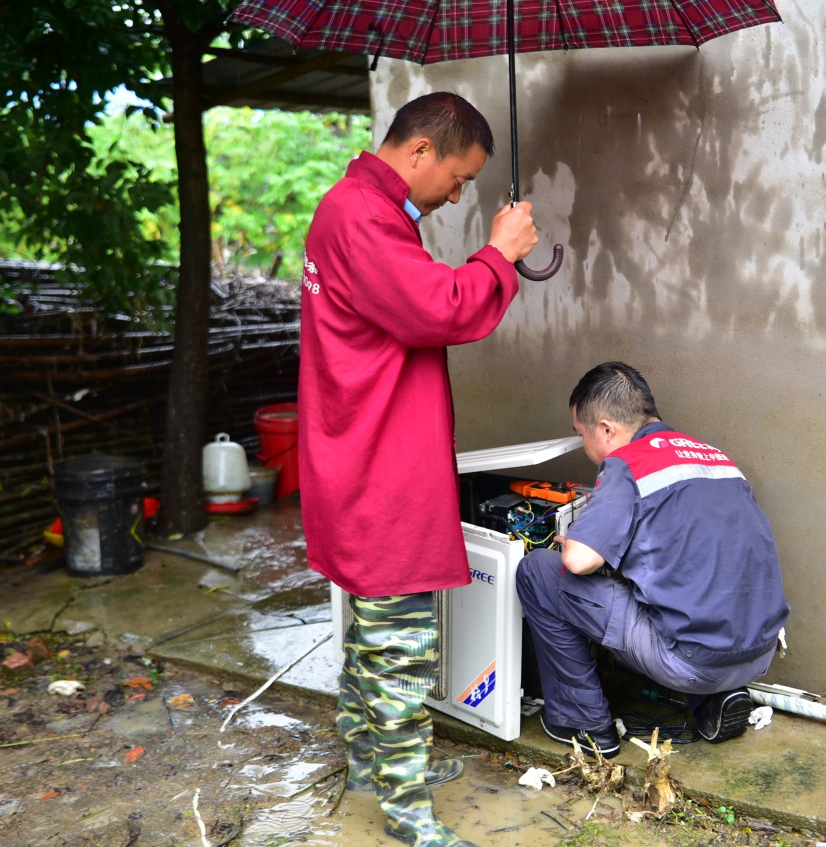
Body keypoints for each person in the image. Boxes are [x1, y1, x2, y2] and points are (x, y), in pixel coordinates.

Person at [297, 92, 539, 847]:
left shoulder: (359, 209)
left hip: (361, 455)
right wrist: (499, 253)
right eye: (459, 179)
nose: (457, 196)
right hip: (378, 468)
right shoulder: (363, 217)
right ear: (421, 151)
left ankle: (370, 765)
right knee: (401, 645)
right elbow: (439, 307)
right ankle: (407, 812)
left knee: (371, 631)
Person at [516, 362, 789, 758]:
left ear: (606, 429)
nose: (584, 444)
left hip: (692, 662)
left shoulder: (629, 463)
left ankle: (582, 721)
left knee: (538, 571)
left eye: (581, 434)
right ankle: (715, 700)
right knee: (673, 588)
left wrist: (574, 540)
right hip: (758, 653)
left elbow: (578, 561)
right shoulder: (716, 457)